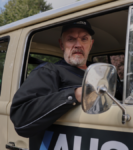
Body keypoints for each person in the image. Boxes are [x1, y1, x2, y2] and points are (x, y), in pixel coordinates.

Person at [10, 20, 94, 149]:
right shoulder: (49, 71)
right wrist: (74, 94)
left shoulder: (101, 73)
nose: (78, 45)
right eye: (71, 39)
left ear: (91, 44)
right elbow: (21, 118)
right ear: (61, 44)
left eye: (84, 39)